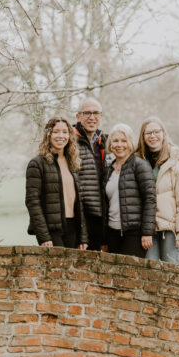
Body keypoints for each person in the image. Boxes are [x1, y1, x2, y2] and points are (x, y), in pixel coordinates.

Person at [136, 116, 179, 264]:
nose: (153, 136)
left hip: (170, 230)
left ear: (164, 134)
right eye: (148, 133)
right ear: (143, 137)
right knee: (148, 268)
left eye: (156, 132)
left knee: (171, 269)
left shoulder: (177, 165)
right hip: (148, 229)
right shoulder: (137, 162)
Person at [25, 116, 88, 250]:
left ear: (70, 136)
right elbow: (32, 202)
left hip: (73, 228)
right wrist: (44, 236)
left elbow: (79, 202)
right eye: (56, 132)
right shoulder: (37, 164)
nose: (61, 136)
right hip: (51, 230)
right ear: (48, 135)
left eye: (65, 132)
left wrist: (83, 236)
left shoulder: (73, 163)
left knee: (73, 270)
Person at [103, 123, 156, 258]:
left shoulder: (140, 166)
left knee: (131, 276)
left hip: (134, 233)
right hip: (112, 232)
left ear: (130, 143)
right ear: (110, 144)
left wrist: (147, 233)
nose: (119, 145)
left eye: (124, 140)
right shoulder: (108, 169)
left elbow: (150, 199)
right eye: (115, 141)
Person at [73, 97, 108, 251]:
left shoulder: (107, 141)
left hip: (103, 217)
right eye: (87, 113)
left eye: (96, 113)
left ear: (101, 116)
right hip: (79, 217)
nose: (92, 117)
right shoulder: (69, 142)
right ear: (78, 116)